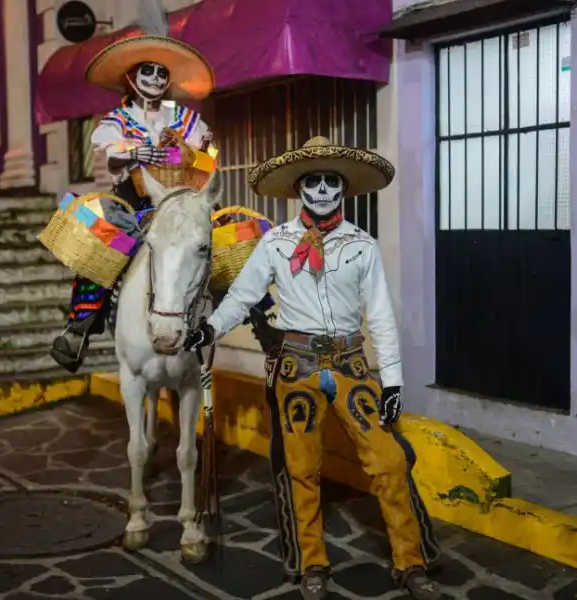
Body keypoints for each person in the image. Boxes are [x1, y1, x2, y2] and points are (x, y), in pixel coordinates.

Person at [185, 137, 442, 600]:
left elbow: (380, 314)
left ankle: (410, 563)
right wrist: (210, 330)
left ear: (342, 187)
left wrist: (394, 380)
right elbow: (243, 296)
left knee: (387, 460)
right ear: (299, 188)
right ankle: (312, 564)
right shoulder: (275, 243)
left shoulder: (362, 244)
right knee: (302, 467)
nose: (322, 189)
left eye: (330, 180)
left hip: (350, 363)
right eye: (312, 180)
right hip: (296, 365)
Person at [50, 0, 215, 372]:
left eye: (160, 74)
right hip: (134, 201)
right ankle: (79, 329)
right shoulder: (117, 119)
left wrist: (192, 158)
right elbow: (111, 160)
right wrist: (138, 153)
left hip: (179, 200)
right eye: (148, 72)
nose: (155, 80)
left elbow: (208, 152)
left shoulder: (183, 116)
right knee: (104, 240)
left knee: (224, 238)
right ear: (132, 77)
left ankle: (261, 321)